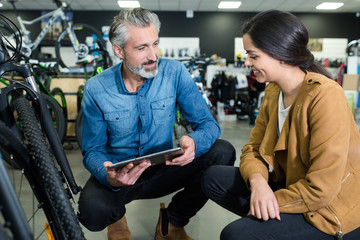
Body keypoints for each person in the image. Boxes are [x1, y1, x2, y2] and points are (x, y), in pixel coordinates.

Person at [77, 7, 236, 240]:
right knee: (92, 214)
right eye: (142, 48)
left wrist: (193, 141)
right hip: (122, 175)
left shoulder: (174, 72)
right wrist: (108, 174)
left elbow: (208, 124)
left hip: (164, 168)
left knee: (223, 151)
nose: (153, 56)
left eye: (155, 44)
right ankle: (116, 218)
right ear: (119, 50)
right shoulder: (96, 88)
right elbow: (92, 149)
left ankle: (172, 222)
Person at [202, 9, 360, 240]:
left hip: (329, 209)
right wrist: (258, 184)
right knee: (211, 177)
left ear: (281, 53)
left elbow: (321, 191)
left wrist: (270, 200)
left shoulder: (326, 97)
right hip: (293, 185)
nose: (246, 62)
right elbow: (253, 149)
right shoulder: (273, 91)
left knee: (235, 235)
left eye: (253, 56)